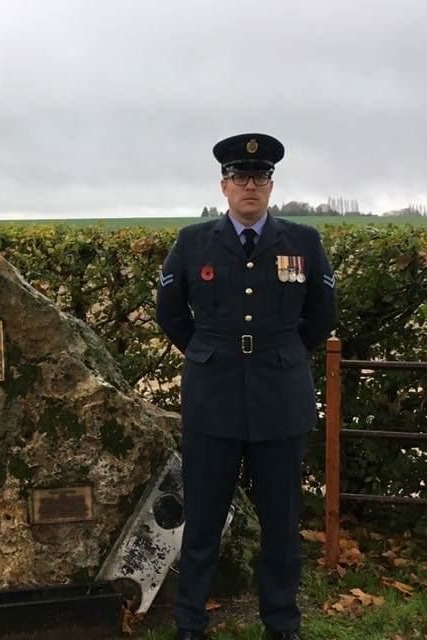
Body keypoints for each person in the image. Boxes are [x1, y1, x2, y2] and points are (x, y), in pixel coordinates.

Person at [155, 133, 337, 640]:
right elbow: (170, 314)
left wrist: (289, 353)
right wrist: (206, 352)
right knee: (203, 523)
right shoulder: (193, 242)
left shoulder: (303, 242)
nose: (249, 186)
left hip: (280, 399)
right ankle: (190, 623)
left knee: (281, 527)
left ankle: (281, 623)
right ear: (224, 186)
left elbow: (321, 315)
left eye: (258, 178)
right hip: (213, 399)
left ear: (271, 186)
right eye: (239, 178)